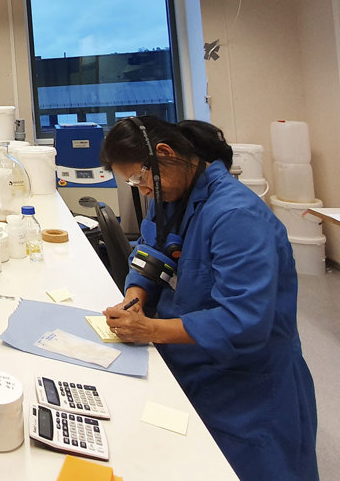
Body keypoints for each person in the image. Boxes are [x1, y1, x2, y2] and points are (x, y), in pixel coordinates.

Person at [100, 116, 318, 481]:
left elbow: (243, 320)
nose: (141, 190)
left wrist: (150, 328)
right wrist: (135, 298)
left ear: (165, 154)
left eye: (138, 178)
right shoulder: (172, 196)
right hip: (193, 367)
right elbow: (152, 251)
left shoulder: (236, 216)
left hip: (246, 387)